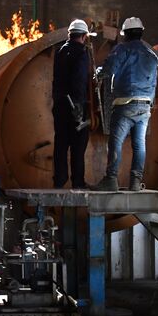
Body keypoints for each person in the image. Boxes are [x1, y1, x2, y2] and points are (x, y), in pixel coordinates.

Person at [94, 17, 158, 191]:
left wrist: (98, 73)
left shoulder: (122, 49)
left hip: (125, 103)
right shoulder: (152, 54)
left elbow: (109, 69)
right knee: (139, 145)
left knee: (115, 141)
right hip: (145, 106)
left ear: (126, 34)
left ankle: (111, 179)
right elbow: (154, 82)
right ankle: (136, 182)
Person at [52, 19, 91, 189]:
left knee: (61, 143)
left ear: (70, 34)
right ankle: (78, 182)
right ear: (84, 36)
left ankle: (59, 180)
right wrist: (79, 105)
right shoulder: (82, 53)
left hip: (60, 105)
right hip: (76, 106)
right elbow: (79, 80)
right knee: (78, 145)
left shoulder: (60, 51)